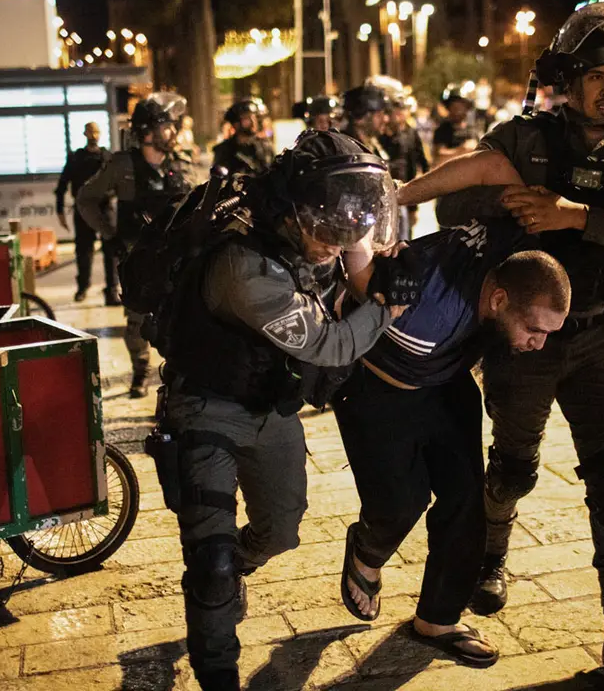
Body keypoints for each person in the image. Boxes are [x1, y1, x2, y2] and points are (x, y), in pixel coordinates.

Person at [397, 2, 604, 680]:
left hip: (598, 339)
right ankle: (492, 555)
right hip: (523, 346)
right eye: (598, 75)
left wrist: (573, 215)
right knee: (514, 464)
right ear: (571, 75)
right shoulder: (525, 140)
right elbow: (460, 191)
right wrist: (496, 202)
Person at [132, 130, 406, 691]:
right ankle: (218, 665)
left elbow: (358, 253)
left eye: (344, 230)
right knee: (210, 563)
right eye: (328, 231)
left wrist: (370, 256)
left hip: (271, 406)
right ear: (293, 211)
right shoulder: (243, 266)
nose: (336, 242)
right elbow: (330, 343)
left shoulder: (318, 224)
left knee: (281, 531)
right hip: (206, 405)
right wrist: (388, 306)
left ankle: (234, 569)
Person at [336, 215, 570, 669]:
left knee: (466, 496)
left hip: (446, 377)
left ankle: (438, 619)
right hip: (378, 385)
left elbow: (493, 167)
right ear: (499, 298)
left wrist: (404, 196)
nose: (538, 344)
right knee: (401, 501)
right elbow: (360, 279)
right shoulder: (425, 316)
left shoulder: (509, 244)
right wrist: (368, 234)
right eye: (533, 329)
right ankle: (367, 553)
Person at [77, 92, 196, 399]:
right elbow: (86, 199)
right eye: (167, 126)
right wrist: (109, 232)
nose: (172, 132)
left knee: (182, 318)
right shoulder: (121, 166)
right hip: (138, 256)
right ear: (147, 130)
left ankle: (177, 375)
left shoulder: (182, 164)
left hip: (177, 256)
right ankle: (140, 371)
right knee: (137, 321)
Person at [55, 122, 117, 304]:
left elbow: (119, 183)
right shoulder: (76, 158)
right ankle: (83, 287)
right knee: (83, 250)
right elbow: (62, 185)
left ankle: (112, 290)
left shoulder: (107, 157)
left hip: (104, 207)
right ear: (84, 134)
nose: (94, 135)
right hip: (83, 208)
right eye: (90, 132)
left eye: (96, 131)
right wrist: (60, 211)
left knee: (111, 250)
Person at [378, 91, 429, 240]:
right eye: (396, 110)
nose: (400, 114)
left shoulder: (411, 134)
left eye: (402, 110)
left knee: (405, 238)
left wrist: (415, 205)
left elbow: (420, 163)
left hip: (405, 193)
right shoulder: (380, 135)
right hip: (384, 195)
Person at [211, 97, 273, 176]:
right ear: (236, 123)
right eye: (247, 118)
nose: (253, 122)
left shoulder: (265, 146)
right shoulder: (224, 151)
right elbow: (218, 182)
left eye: (254, 117)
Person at [432, 83, 478, 165]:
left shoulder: (473, 130)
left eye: (460, 107)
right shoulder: (442, 130)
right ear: (448, 108)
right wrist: (461, 149)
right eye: (454, 107)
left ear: (467, 108)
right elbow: (439, 155)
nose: (457, 111)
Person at [342, 85, 390, 159]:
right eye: (378, 115)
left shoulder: (373, 144)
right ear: (359, 119)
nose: (386, 119)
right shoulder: (346, 152)